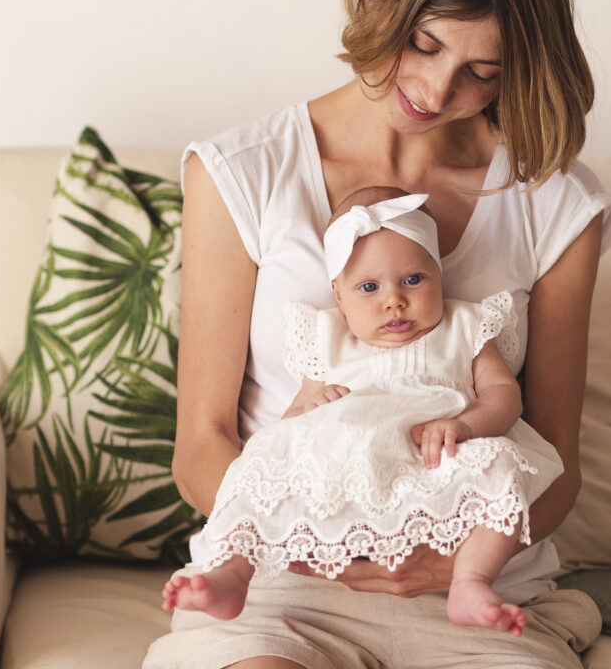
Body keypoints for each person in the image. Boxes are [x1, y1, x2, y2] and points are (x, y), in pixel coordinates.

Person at [145, 0, 611, 669]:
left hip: (471, 586)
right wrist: (322, 543)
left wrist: (450, 564)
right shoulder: (245, 172)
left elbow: (558, 458)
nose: (439, 93)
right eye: (427, 44)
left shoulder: (556, 205)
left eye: (482, 71)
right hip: (284, 583)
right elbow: (202, 444)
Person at [162, 188, 565, 638]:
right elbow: (296, 414)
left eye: (413, 279)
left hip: (435, 457)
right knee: (262, 463)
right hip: (343, 463)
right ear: (338, 295)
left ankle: (470, 581)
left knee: (502, 470)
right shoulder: (328, 339)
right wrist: (308, 410)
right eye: (369, 288)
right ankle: (232, 575)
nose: (394, 300)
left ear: (439, 273)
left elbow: (503, 396)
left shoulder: (465, 327)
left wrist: (466, 426)